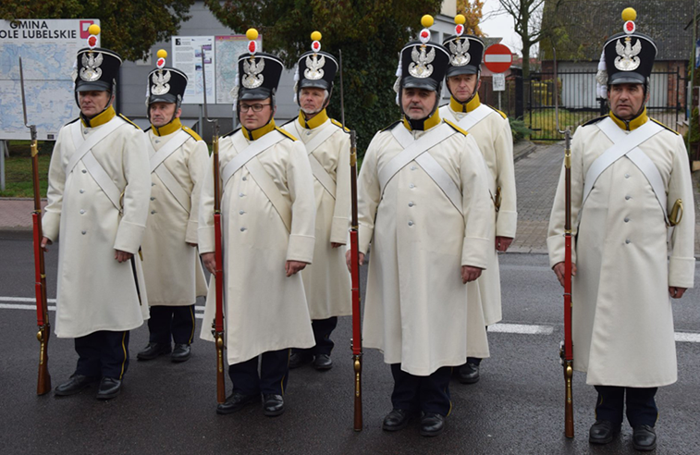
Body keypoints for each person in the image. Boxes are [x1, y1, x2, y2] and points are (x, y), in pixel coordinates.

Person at [547, 8, 695, 452]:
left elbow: (682, 213)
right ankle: (606, 417)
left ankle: (644, 421)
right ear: (606, 91)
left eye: (632, 87)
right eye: (617, 87)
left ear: (644, 91)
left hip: (648, 266)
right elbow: (564, 206)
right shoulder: (585, 140)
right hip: (598, 262)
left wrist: (680, 270)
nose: (624, 95)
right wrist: (560, 250)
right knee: (604, 341)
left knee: (643, 345)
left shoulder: (669, 144)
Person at [349, 15, 493, 437]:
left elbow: (479, 203)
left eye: (424, 93)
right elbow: (365, 198)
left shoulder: (459, 143)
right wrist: (357, 242)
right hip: (392, 260)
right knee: (398, 331)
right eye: (410, 92)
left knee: (437, 332)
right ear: (401, 94)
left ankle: (434, 404)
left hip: (443, 261)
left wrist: (474, 254)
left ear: (436, 95)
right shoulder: (382, 141)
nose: (416, 99)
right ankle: (402, 403)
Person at [199, 29, 316, 417]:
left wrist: (299, 249)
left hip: (274, 252)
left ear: (271, 105)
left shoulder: (289, 147)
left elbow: (305, 202)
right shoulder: (222, 147)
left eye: (258, 104)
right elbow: (206, 201)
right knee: (238, 322)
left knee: (273, 321)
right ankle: (243, 387)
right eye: (245, 104)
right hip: (232, 251)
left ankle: (273, 388)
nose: (250, 111)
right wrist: (208, 246)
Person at [41, 25, 151, 400]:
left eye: (95, 93)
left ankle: (111, 369)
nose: (87, 100)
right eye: (83, 93)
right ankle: (85, 367)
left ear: (110, 95)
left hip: (111, 238)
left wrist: (128, 239)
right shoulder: (67, 133)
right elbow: (57, 187)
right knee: (81, 304)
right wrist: (48, 229)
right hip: (75, 238)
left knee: (111, 306)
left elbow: (138, 192)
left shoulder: (128, 134)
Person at [439, 15, 517, 384]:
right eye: (455, 79)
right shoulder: (436, 118)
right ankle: (450, 347)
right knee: (449, 285)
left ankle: (473, 354)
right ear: (447, 82)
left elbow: (506, 177)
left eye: (467, 78)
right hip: (442, 218)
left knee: (478, 287)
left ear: (478, 80)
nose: (461, 84)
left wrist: (506, 226)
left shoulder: (494, 121)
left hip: (482, 217)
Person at [282, 32, 351, 372]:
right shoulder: (283, 133)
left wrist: (341, 229)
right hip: (293, 222)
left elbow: (346, 187)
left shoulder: (340, 136)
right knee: (297, 286)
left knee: (323, 289)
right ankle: (299, 345)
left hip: (325, 224)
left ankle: (322, 346)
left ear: (327, 97)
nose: (310, 98)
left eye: (316, 92)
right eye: (306, 92)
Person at [137, 50, 208, 363]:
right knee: (153, 289)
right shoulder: (137, 140)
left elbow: (202, 191)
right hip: (148, 230)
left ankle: (183, 340)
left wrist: (195, 230)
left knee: (180, 290)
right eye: (154, 106)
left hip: (178, 229)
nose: (157, 112)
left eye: (164, 106)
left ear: (177, 109)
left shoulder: (192, 144)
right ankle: (158, 340)